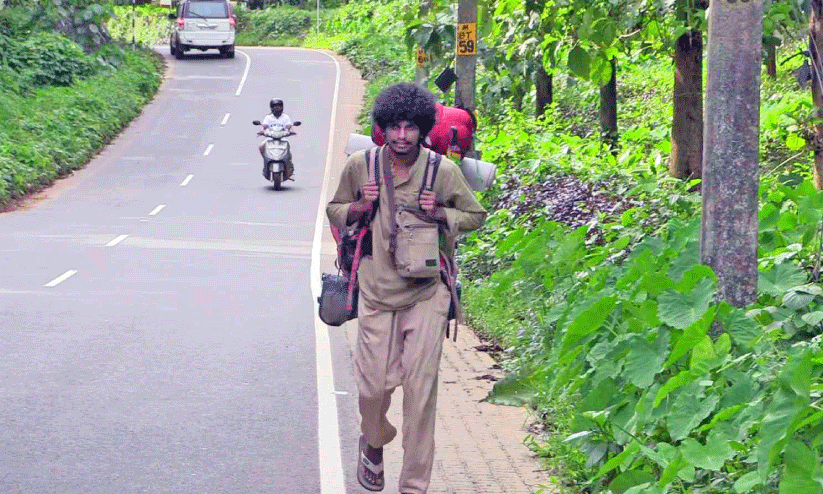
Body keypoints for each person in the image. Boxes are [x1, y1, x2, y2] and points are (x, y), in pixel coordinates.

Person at [326, 83, 487, 494]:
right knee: (372, 388)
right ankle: (374, 441)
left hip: (427, 294)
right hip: (377, 293)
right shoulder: (361, 166)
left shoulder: (442, 171)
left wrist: (443, 213)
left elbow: (476, 215)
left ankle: (413, 486)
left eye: (410, 128)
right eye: (394, 127)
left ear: (422, 130)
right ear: (383, 129)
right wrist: (361, 206)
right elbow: (335, 209)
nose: (402, 136)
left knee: (420, 393)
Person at [258, 98, 293, 178]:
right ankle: (267, 162)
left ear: (282, 107)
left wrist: (290, 131)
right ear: (271, 107)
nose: (277, 108)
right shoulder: (268, 118)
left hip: (282, 139)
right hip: (270, 139)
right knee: (261, 146)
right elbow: (264, 126)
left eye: (279, 106)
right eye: (275, 106)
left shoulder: (285, 117)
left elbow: (289, 126)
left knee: (287, 148)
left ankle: (289, 165)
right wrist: (262, 131)